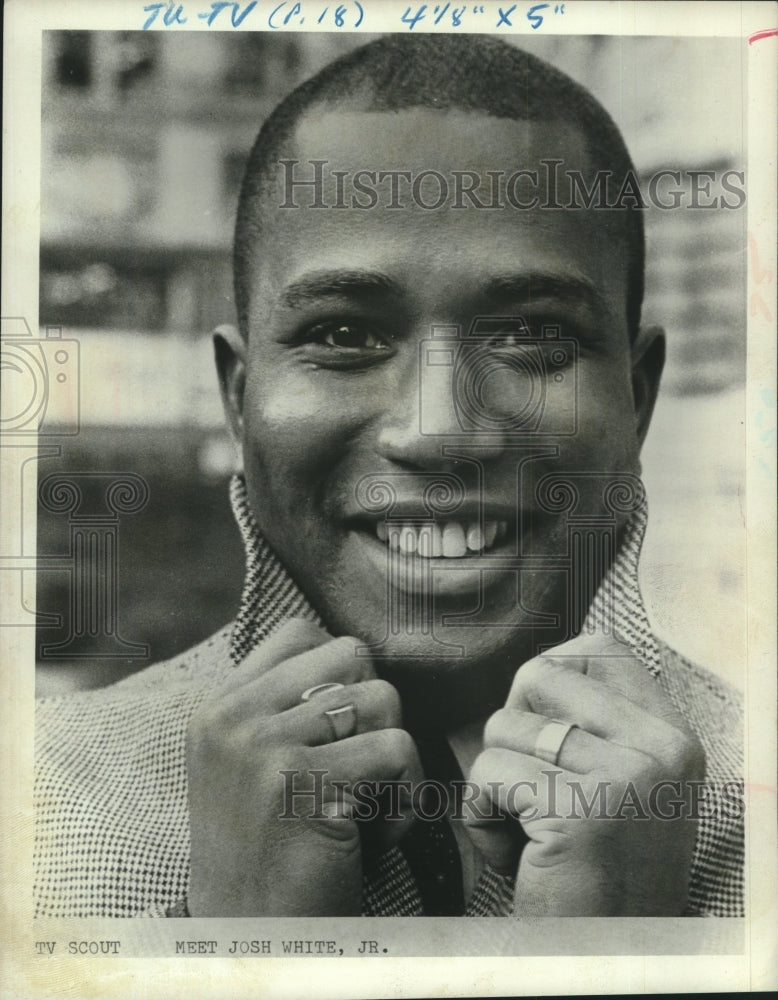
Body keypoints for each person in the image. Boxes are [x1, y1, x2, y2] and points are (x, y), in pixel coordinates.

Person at [34, 34, 743, 919]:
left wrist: (628, 958)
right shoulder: (41, 808)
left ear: (636, 399)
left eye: (531, 334)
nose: (438, 432)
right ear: (239, 397)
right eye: (342, 335)